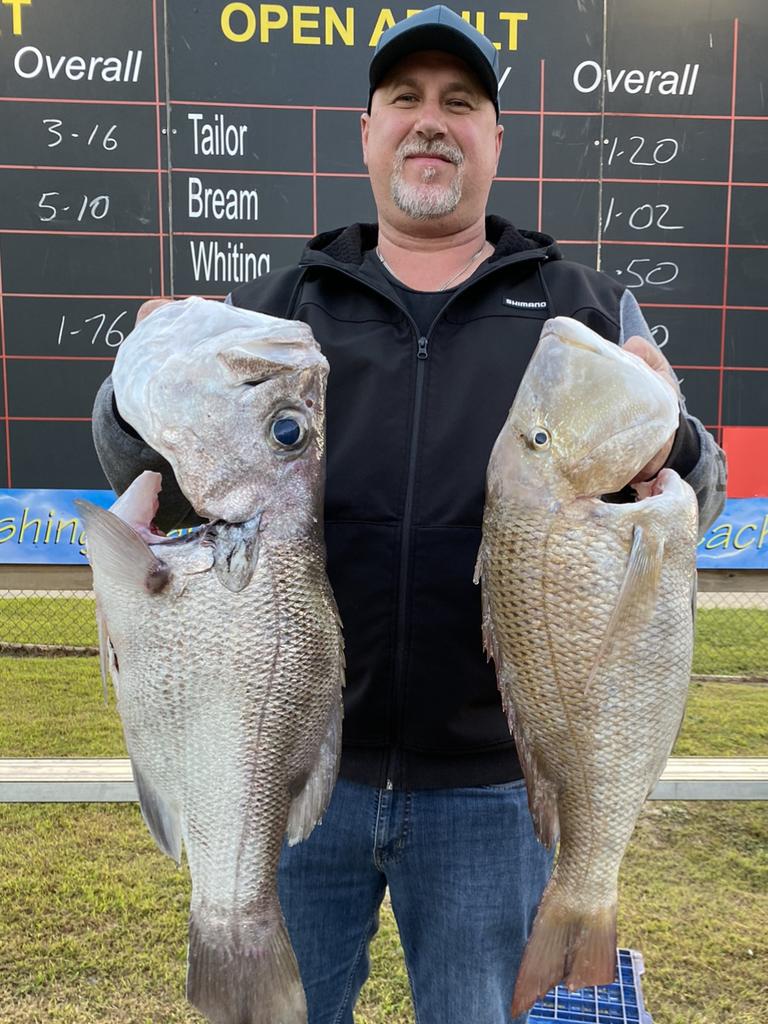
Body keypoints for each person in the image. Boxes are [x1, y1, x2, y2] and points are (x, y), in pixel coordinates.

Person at [93, 6, 726, 1022]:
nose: (431, 122)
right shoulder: (285, 304)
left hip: (490, 785)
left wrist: (680, 446)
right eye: (406, 101)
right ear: (368, 131)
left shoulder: (584, 312)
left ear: (495, 140)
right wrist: (130, 390)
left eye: (460, 104)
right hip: (297, 770)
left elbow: (702, 487)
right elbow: (146, 462)